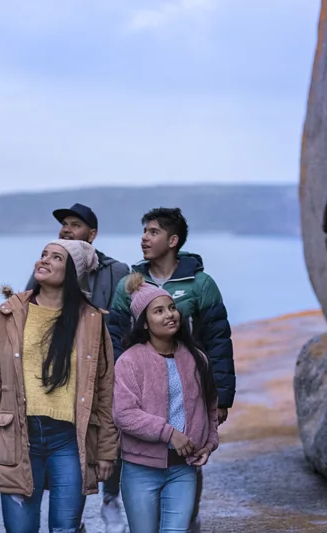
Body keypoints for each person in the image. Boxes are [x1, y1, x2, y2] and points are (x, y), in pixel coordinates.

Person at [0, 239, 118, 533]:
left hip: (69, 440)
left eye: (56, 258)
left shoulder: (92, 321)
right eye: (43, 254)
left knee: (65, 529)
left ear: (73, 272)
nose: (43, 261)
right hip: (19, 435)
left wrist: (107, 450)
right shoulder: (10, 314)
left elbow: (105, 390)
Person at [108, 207, 234, 532]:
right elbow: (115, 338)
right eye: (144, 232)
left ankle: (187, 519)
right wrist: (122, 381)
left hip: (189, 381)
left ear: (173, 240)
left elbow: (218, 339)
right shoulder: (129, 285)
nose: (144, 238)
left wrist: (222, 397)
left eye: (153, 232)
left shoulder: (200, 283)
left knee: (189, 453)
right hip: (142, 389)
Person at [24, 202, 130, 532]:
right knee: (68, 442)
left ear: (92, 234)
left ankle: (110, 498)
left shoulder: (116, 271)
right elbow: (31, 312)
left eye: (75, 225)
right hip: (60, 370)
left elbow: (125, 321)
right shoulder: (47, 267)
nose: (67, 229)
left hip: (104, 365)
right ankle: (74, 515)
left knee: (107, 435)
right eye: (64, 224)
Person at [113, 273, 219, 533]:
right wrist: (169, 433)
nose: (169, 315)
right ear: (145, 323)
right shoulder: (129, 361)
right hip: (140, 468)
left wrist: (210, 442)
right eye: (158, 311)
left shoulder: (196, 358)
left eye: (172, 308)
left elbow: (210, 407)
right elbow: (124, 414)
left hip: (183, 469)